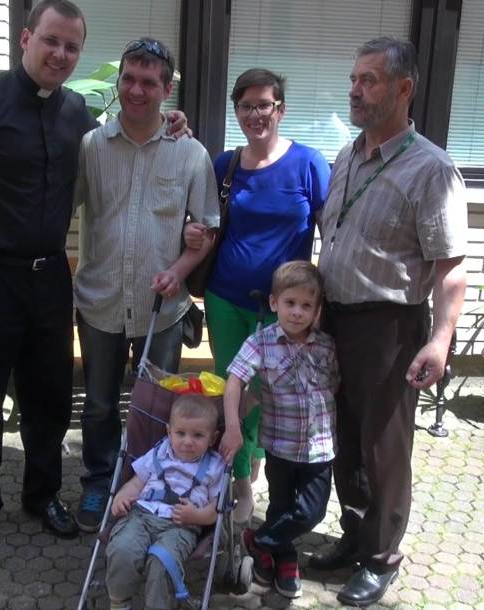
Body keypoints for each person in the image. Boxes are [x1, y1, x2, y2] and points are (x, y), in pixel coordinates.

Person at [0, 1, 188, 549]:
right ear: (26, 39)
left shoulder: (77, 115)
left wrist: (170, 122)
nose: (61, 54)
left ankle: (42, 494)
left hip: (49, 278)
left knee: (49, 398)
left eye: (72, 46)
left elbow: (125, 142)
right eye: (51, 40)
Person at [309, 37, 468, 607]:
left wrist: (441, 339)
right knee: (345, 438)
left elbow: (450, 267)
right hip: (335, 319)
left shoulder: (432, 169)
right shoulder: (347, 155)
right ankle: (355, 534)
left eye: (369, 80)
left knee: (384, 445)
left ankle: (382, 557)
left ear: (404, 89)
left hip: (388, 327)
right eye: (353, 79)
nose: (355, 90)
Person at [72, 37, 219, 533]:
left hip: (164, 307)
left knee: (157, 408)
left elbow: (206, 229)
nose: (137, 90)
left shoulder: (190, 153)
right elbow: (58, 201)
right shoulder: (91, 146)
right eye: (129, 79)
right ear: (119, 81)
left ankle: (152, 486)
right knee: (98, 405)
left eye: (149, 82)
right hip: (100, 301)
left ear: (166, 88)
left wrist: (179, 270)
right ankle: (99, 482)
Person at [186, 68, 330, 527]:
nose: (255, 114)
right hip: (226, 298)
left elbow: (331, 233)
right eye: (245, 106)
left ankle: (254, 462)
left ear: (280, 109)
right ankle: (241, 481)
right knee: (234, 387)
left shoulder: (309, 164)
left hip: (286, 310)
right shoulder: (224, 165)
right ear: (237, 111)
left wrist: (321, 304)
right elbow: (207, 224)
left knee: (268, 391)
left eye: (264, 105)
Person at [221, 260, 339, 599]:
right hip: (279, 445)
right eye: (290, 303)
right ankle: (284, 561)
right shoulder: (260, 343)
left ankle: (259, 541)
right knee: (280, 506)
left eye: (306, 305)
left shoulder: (326, 346)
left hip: (319, 447)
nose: (297, 312)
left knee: (311, 510)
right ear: (274, 303)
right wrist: (233, 426)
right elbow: (234, 382)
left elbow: (334, 385)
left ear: (317, 310)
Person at [104, 394, 224, 610]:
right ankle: (119, 601)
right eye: (180, 433)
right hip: (140, 516)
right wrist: (121, 497)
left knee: (163, 561)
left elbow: (217, 508)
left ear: (212, 438)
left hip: (181, 526)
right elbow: (137, 482)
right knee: (123, 548)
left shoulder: (215, 466)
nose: (187, 441)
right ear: (169, 431)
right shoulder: (159, 452)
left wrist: (197, 516)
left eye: (198, 435)